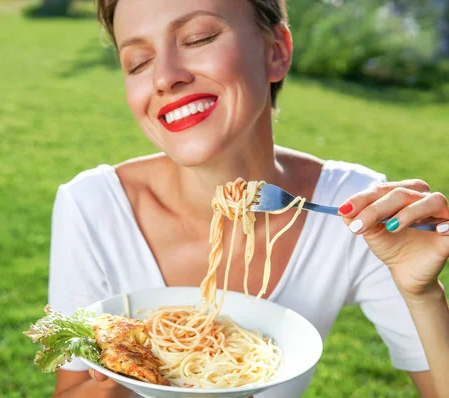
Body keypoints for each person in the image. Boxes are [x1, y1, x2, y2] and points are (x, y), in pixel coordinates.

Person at [47, 0, 449, 397]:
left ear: (276, 52)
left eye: (197, 38)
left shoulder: (357, 211)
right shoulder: (92, 207)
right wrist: (137, 376)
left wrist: (423, 295)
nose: (164, 77)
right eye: (137, 62)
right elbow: (71, 390)